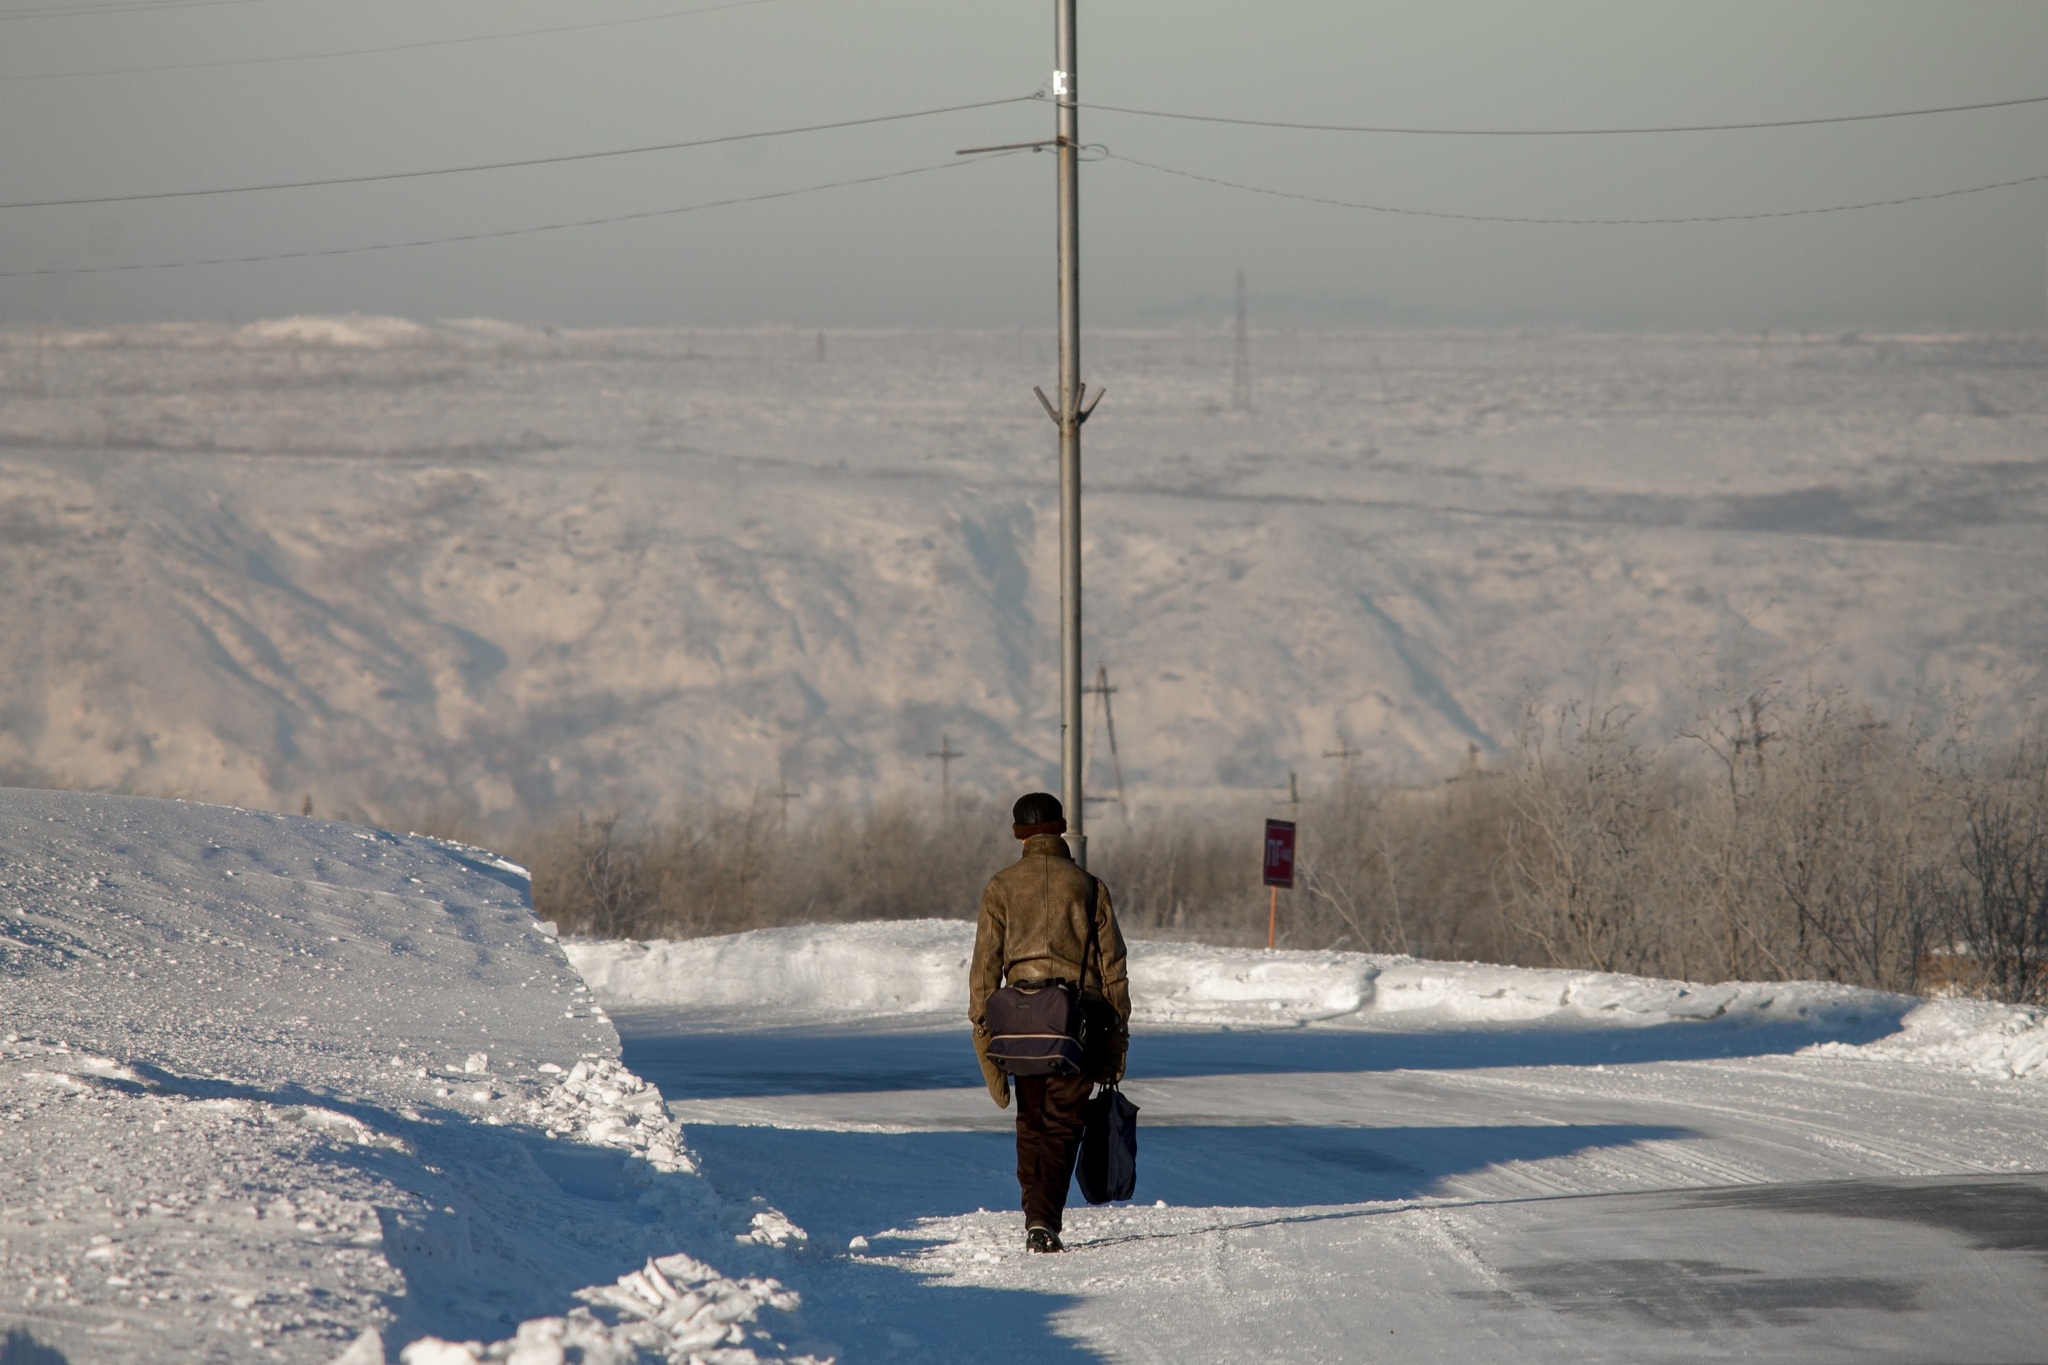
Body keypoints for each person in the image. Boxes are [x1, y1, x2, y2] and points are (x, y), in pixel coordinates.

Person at [969, 792, 1131, 1254]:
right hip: (1079, 1022)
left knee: (1030, 1120)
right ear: (1060, 828)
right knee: (1061, 1124)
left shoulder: (1001, 886)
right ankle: (1042, 1220)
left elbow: (984, 968)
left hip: (1018, 1021)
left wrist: (983, 1029)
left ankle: (1035, 1215)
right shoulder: (1089, 885)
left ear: (1019, 834)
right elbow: (1113, 967)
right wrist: (1118, 1035)